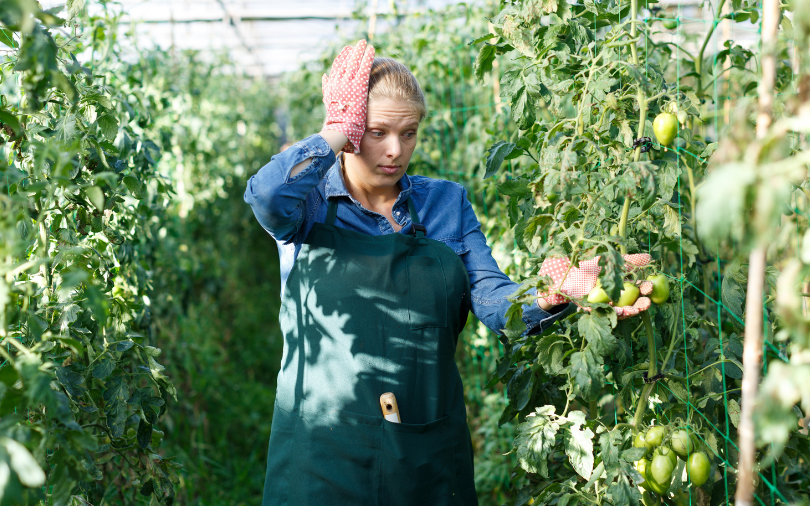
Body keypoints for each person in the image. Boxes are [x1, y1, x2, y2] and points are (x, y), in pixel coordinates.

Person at [244, 40, 650, 506]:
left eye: (409, 133)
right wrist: (334, 130)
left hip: (424, 448)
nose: (395, 151)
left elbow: (494, 301)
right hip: (320, 453)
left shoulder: (444, 204)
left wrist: (551, 292)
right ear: (354, 130)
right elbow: (265, 197)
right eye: (377, 132)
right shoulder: (308, 204)